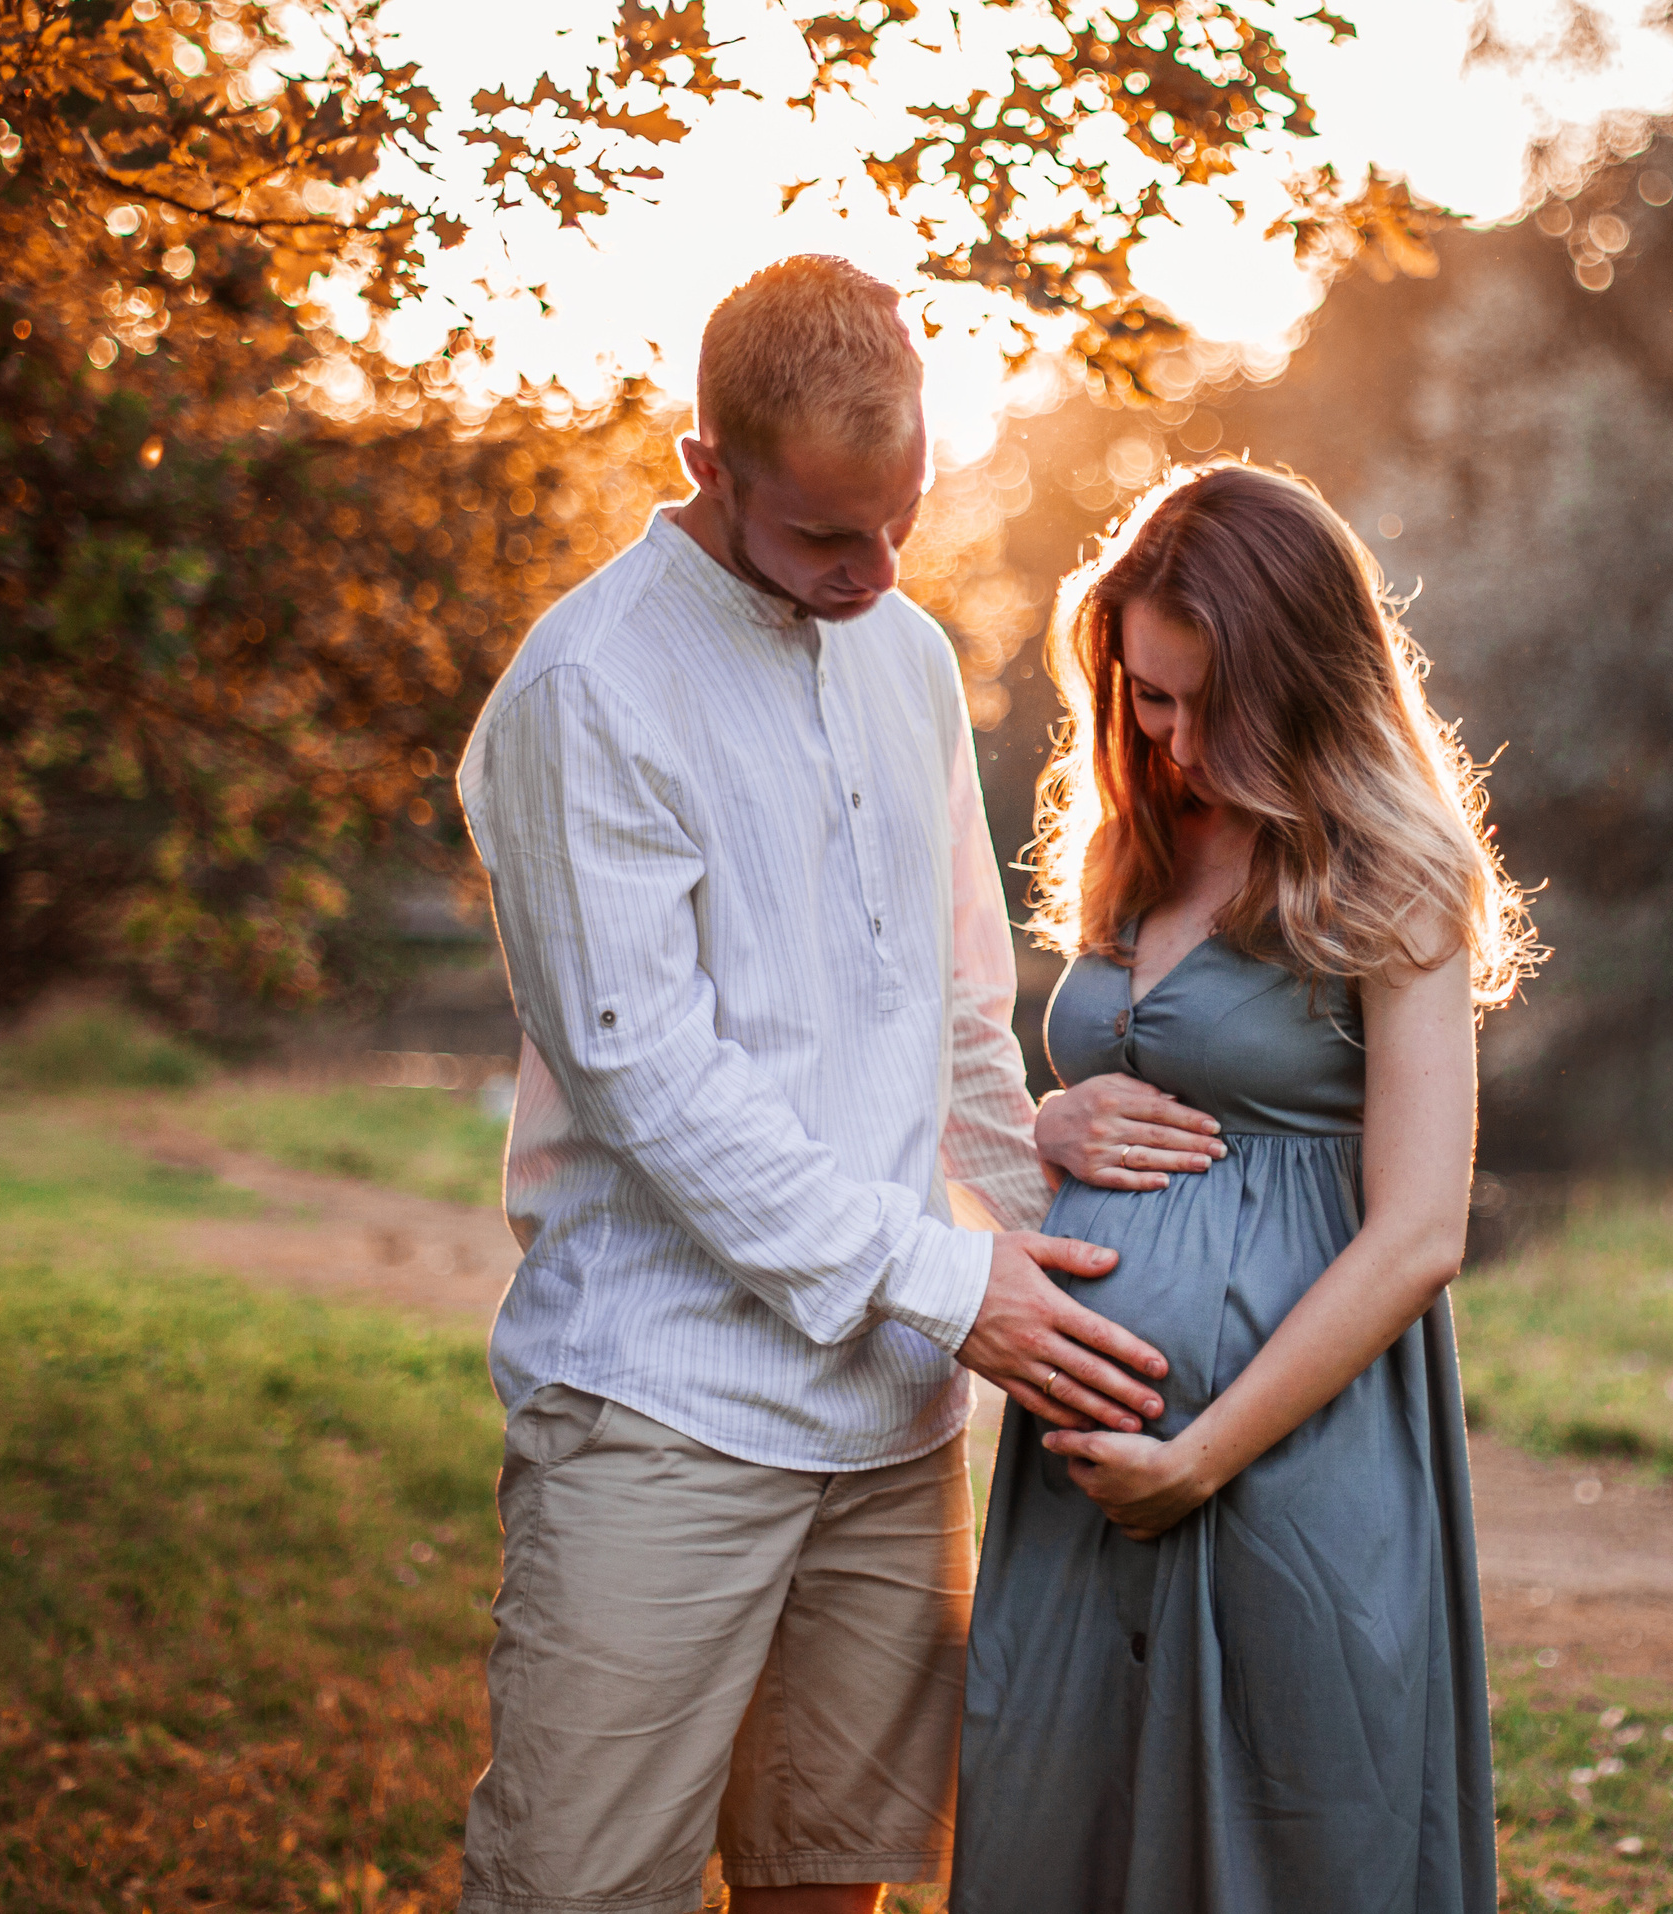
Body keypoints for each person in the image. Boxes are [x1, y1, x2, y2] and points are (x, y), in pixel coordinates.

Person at [451, 255, 1173, 1914]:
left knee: (827, 1884)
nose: (870, 572)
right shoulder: (588, 689)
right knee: (577, 1886)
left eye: (899, 522)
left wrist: (1067, 1258)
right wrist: (950, 1281)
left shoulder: (907, 654)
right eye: (823, 537)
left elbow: (959, 1018)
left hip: (895, 1425)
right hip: (663, 1410)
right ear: (706, 463)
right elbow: (656, 1081)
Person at [951, 462, 1542, 1913]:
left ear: (1307, 678)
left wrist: (1200, 1455)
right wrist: (1054, 1117)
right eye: (1148, 694)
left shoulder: (1391, 869)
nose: (1175, 733)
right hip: (1081, 1480)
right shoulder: (1134, 831)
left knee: (1287, 1850)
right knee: (1059, 1832)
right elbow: (1117, 1097)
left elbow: (1417, 1232)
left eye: (1212, 701)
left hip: (1286, 1462)